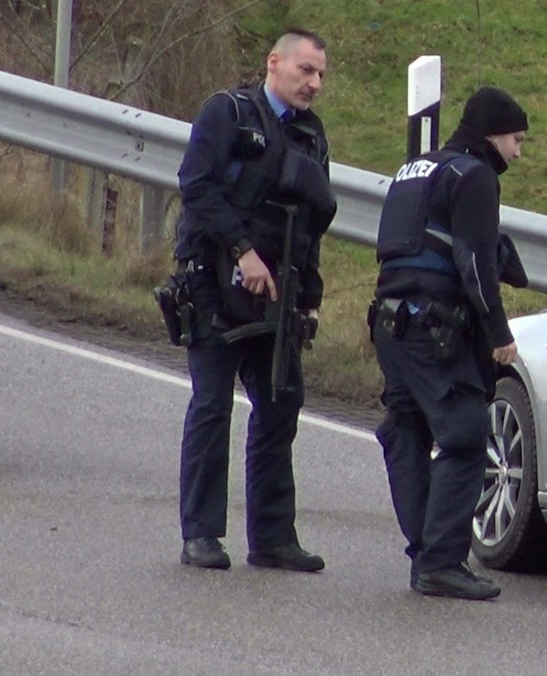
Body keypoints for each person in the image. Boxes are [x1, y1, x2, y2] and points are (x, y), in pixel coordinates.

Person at [171, 29, 335, 572]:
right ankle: (201, 535)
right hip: (214, 284)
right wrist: (242, 252)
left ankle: (272, 538)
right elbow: (196, 186)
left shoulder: (311, 136)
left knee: (280, 407)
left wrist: (309, 297)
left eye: (320, 75)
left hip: (277, 296)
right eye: (305, 70)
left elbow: (310, 225)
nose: (313, 83)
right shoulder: (227, 112)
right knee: (213, 406)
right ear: (274, 63)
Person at [370, 86, 528, 600]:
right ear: (492, 135)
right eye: (516, 140)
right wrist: (498, 333)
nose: (518, 153)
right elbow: (475, 262)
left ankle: (427, 552)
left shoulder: (413, 170)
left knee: (407, 429)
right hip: (434, 329)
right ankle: (440, 561)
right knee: (462, 435)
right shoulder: (476, 176)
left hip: (391, 325)